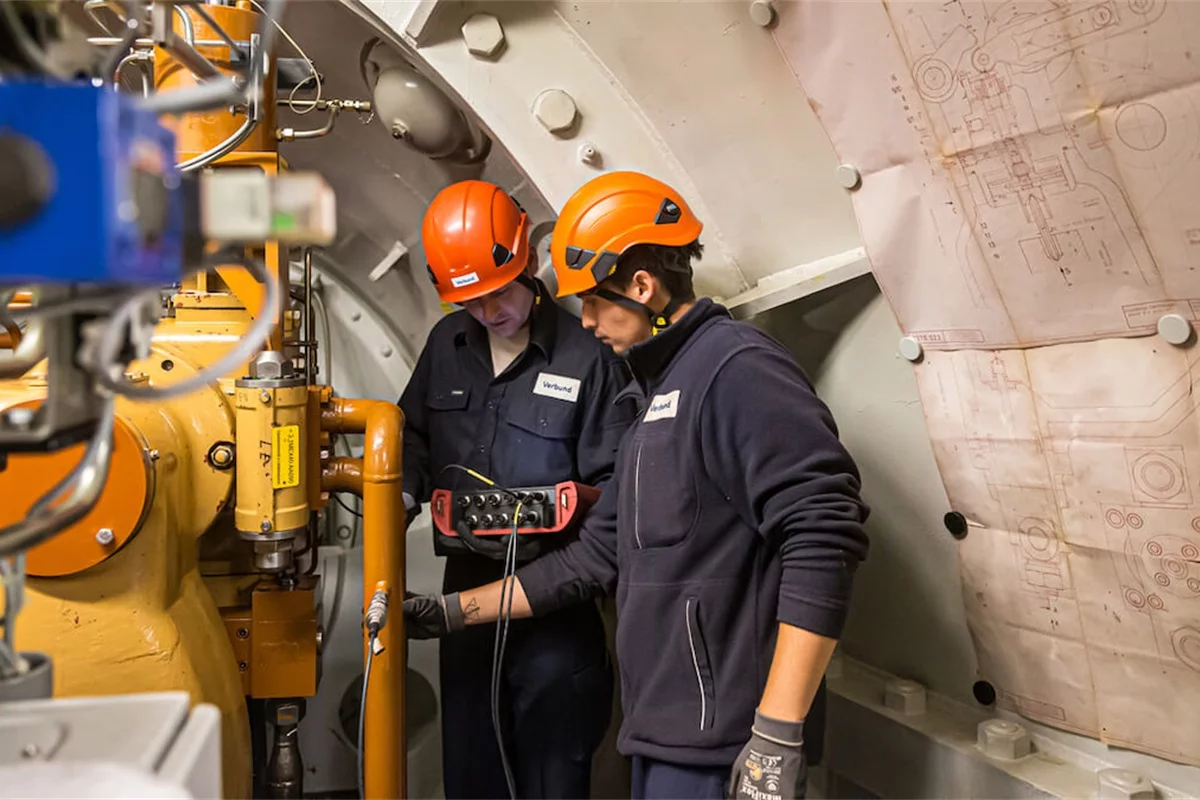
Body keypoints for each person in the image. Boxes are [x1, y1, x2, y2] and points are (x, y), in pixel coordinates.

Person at [403, 170, 871, 800]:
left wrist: (778, 732)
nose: (585, 321)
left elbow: (822, 529)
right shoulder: (656, 394)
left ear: (642, 287)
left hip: (728, 741)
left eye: (593, 302)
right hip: (663, 731)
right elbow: (597, 555)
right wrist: (453, 612)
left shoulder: (735, 367)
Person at [399, 179, 637, 799]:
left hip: (555, 602)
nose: (489, 312)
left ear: (527, 257)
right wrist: (400, 494)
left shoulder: (589, 355)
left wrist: (568, 518)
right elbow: (410, 438)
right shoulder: (445, 346)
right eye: (470, 301)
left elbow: (618, 489)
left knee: (552, 776)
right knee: (471, 772)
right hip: (464, 596)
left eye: (499, 292)